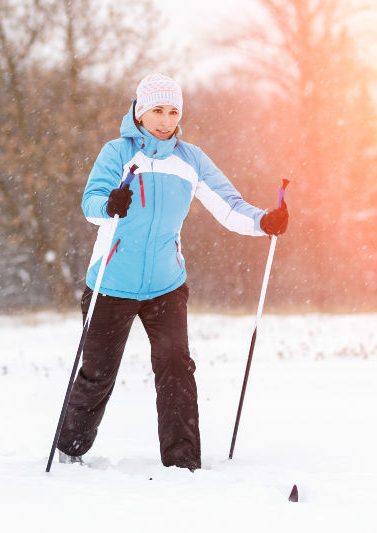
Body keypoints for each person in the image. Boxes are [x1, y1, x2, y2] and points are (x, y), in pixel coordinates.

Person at [57, 73, 289, 470]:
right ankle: (71, 448)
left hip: (166, 285)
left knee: (176, 367)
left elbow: (229, 204)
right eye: (157, 110)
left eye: (173, 111)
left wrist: (264, 221)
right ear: (140, 111)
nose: (165, 120)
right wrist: (109, 205)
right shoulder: (117, 153)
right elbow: (91, 203)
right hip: (112, 283)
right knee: (98, 373)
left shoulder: (190, 159)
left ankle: (183, 462)